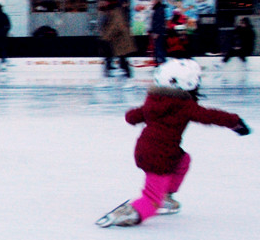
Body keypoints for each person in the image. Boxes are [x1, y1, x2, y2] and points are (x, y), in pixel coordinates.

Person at [97, 59, 249, 227]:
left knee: (183, 160)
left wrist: (135, 116)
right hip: (161, 155)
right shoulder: (183, 105)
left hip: (148, 149)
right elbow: (210, 115)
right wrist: (235, 122)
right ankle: (132, 212)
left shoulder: (154, 100)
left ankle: (165, 196)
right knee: (151, 200)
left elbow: (132, 116)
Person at [98, 0, 134, 78]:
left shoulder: (116, 13)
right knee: (119, 57)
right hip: (116, 39)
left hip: (120, 40)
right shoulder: (111, 12)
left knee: (122, 57)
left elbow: (116, 27)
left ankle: (127, 73)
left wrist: (106, 36)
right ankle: (124, 72)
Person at [149, 0, 168, 65]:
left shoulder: (159, 10)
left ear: (157, 0)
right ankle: (159, 61)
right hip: (157, 31)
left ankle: (161, 62)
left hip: (158, 32)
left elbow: (159, 22)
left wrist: (156, 32)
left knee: (159, 47)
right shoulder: (157, 9)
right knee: (158, 47)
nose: (152, 1)